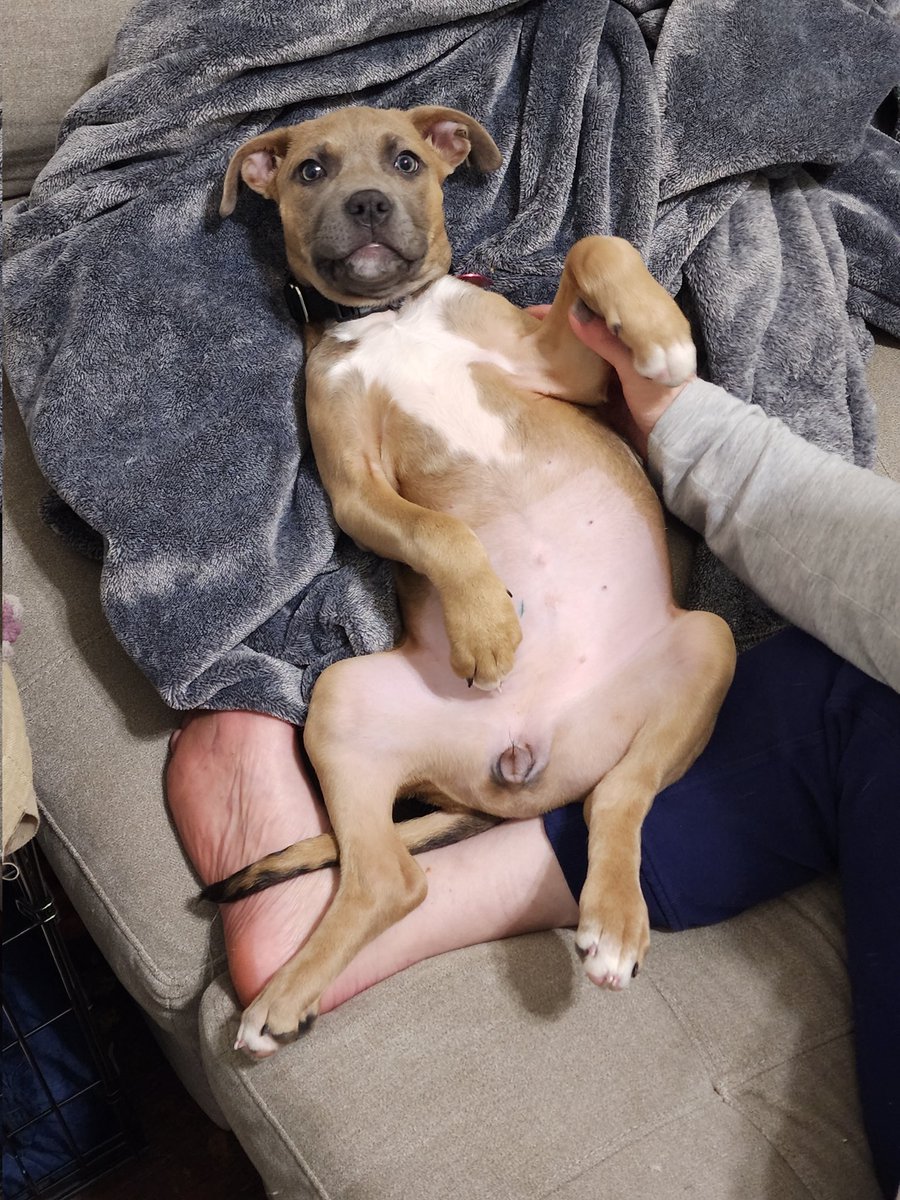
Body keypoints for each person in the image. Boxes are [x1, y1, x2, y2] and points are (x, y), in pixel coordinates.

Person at [167, 303, 900, 1197]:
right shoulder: (345, 361)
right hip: (475, 705)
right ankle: (381, 873)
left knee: (709, 645)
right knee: (350, 700)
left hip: (602, 684)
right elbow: (372, 488)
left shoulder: (455, 312)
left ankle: (594, 820)